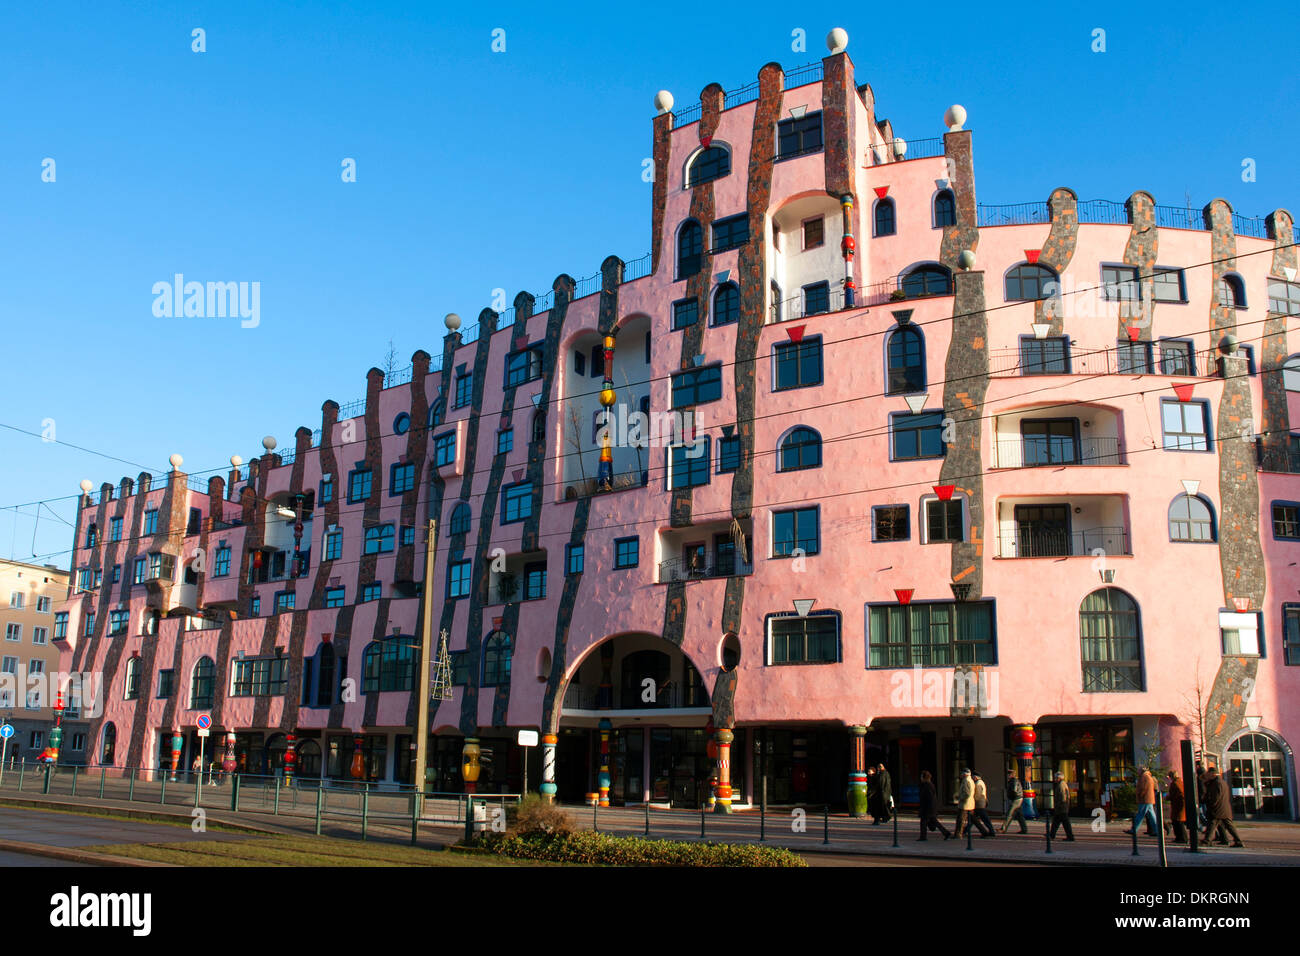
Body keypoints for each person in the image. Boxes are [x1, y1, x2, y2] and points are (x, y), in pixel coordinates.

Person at [1202, 767, 1244, 848]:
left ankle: (1207, 840)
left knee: (1213, 823)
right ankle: (1237, 841)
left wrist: (1210, 804)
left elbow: (1216, 797)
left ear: (1212, 774)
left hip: (1218, 809)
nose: (1207, 775)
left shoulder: (1216, 783)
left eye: (1209, 773)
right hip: (1224, 808)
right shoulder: (1222, 782)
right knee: (1228, 825)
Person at [917, 770, 952, 841]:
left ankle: (923, 837)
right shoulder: (929, 785)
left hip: (928, 808)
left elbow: (929, 798)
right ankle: (946, 833)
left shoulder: (927, 786)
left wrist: (926, 808)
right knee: (934, 822)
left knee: (924, 822)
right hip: (930, 808)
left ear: (924, 777)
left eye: (921, 777)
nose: (920, 778)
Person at [1125, 767, 1159, 837]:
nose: (1137, 772)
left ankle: (1134, 829)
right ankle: (1157, 830)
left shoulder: (1144, 777)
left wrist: (1140, 795)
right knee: (1151, 815)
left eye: (1138, 770)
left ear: (1141, 771)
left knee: (1140, 814)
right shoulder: (1148, 776)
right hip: (1149, 799)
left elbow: (1143, 788)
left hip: (1145, 799)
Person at [1049, 771, 1075, 841]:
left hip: (1062, 807)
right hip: (1061, 807)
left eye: (1056, 778)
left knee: (1064, 822)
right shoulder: (1061, 784)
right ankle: (1052, 835)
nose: (1054, 779)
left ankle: (1070, 836)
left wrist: (1060, 805)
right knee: (1056, 822)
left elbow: (1063, 797)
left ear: (1059, 778)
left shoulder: (1061, 785)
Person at [971, 772, 996, 837]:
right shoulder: (981, 782)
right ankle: (965, 830)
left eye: (973, 777)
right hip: (981, 803)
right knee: (973, 818)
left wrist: (973, 801)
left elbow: (978, 795)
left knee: (984, 819)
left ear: (975, 777)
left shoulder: (978, 784)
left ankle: (991, 831)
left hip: (979, 804)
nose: (972, 778)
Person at [1002, 769, 1028, 833]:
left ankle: (1003, 828)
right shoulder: (1014, 781)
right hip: (1018, 798)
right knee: (1019, 815)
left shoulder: (1013, 781)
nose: (1008, 776)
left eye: (1009, 774)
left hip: (1016, 799)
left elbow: (1014, 790)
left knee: (1009, 814)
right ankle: (1024, 829)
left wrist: (1012, 797)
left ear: (1012, 775)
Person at [953, 768, 976, 837]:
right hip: (969, 804)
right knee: (970, 819)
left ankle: (958, 834)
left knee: (960, 820)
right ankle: (960, 833)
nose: (961, 774)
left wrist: (961, 798)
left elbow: (967, 793)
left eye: (962, 773)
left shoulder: (966, 781)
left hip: (965, 804)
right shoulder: (970, 780)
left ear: (965, 774)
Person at [1166, 771, 1187, 844]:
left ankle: (1182, 838)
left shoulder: (1175, 784)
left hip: (1178, 804)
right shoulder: (1180, 782)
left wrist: (1168, 797)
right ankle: (1180, 837)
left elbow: (1176, 794)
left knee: (1178, 821)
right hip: (1179, 804)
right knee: (1177, 821)